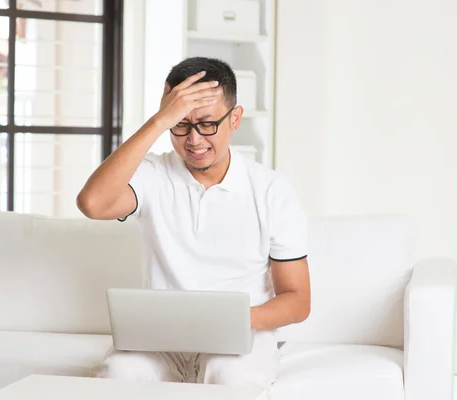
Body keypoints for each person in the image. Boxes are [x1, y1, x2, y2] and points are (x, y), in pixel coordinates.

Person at [76, 57, 310, 388]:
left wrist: (229, 319)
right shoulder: (154, 174)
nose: (194, 140)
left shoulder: (271, 190)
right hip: (161, 340)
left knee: (230, 376)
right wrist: (158, 121)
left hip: (238, 340)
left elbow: (298, 299)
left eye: (207, 124)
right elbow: (92, 203)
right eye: (180, 124)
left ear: (236, 118)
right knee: (118, 373)